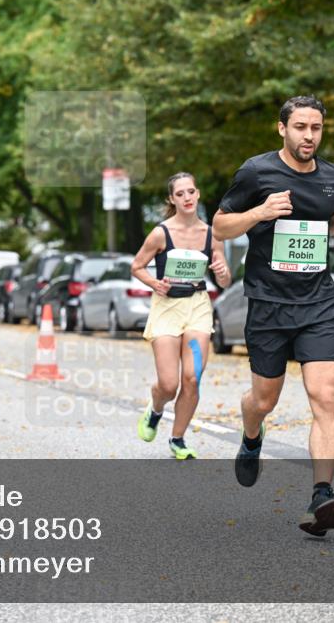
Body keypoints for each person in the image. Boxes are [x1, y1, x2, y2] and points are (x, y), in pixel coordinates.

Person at [212, 94, 334, 536]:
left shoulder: (332, 176)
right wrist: (259, 211)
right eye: (300, 127)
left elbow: (323, 225)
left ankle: (322, 496)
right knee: (264, 400)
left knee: (326, 396)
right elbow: (219, 225)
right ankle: (251, 437)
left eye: (316, 128)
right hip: (269, 304)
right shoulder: (256, 171)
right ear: (283, 129)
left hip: (318, 302)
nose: (309, 136)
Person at [132, 172, 232, 460]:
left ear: (198, 194)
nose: (187, 198)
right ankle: (155, 408)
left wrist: (223, 274)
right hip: (166, 308)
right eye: (180, 194)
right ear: (171, 199)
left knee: (192, 378)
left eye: (191, 192)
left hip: (198, 306)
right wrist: (155, 283)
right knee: (169, 384)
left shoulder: (213, 233)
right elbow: (136, 266)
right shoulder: (161, 233)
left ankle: (177, 438)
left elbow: (223, 279)